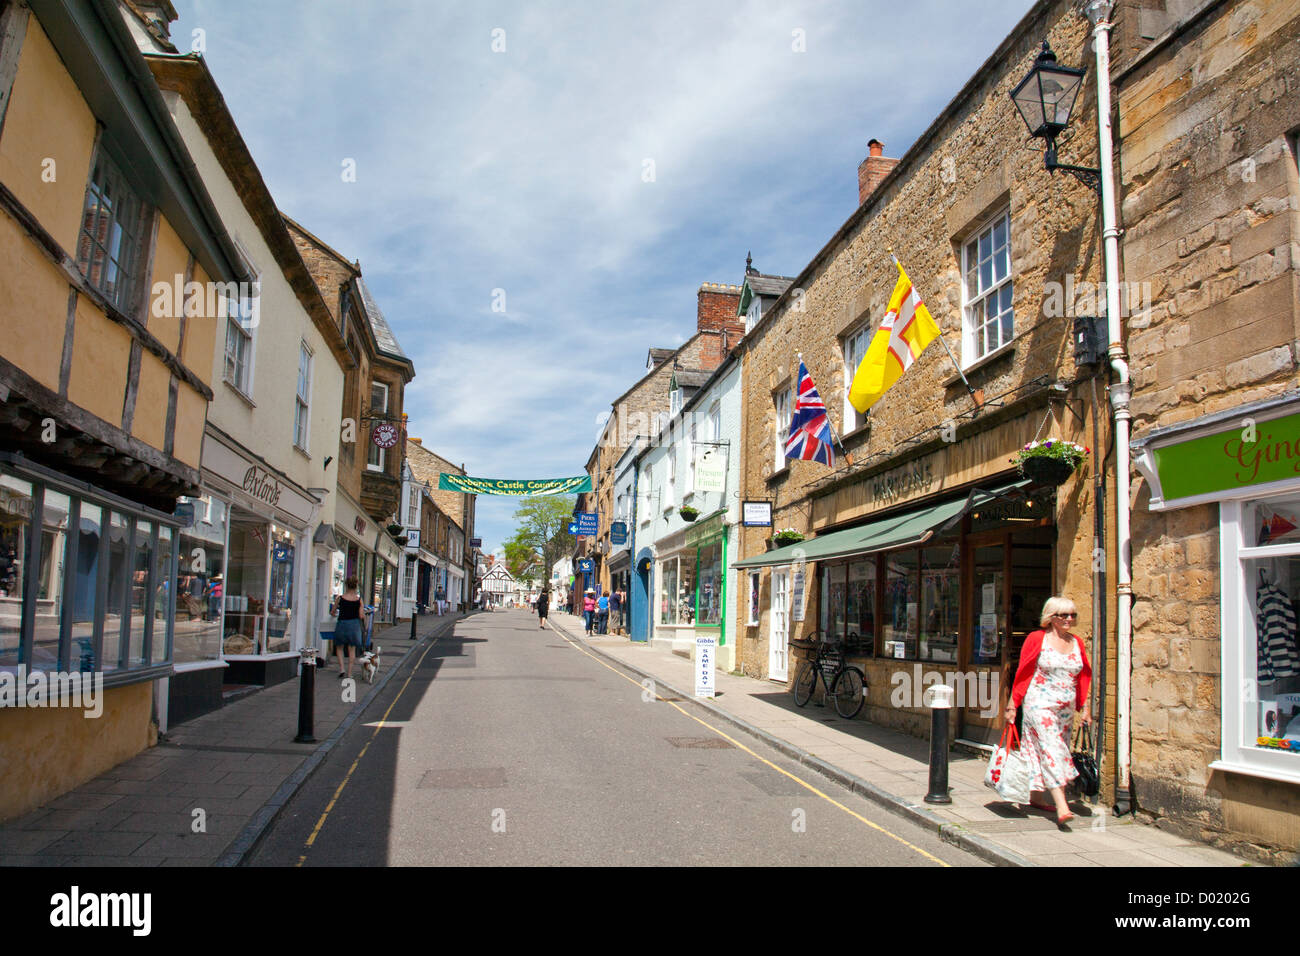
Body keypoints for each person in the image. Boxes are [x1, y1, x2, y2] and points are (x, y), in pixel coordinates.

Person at [1004, 595, 1092, 825]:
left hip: (1065, 709)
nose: (1069, 619)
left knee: (1046, 749)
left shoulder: (1077, 642)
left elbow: (1083, 676)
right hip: (1039, 704)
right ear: (1051, 618)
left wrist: (1085, 708)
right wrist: (1014, 703)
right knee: (1053, 750)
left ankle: (1035, 797)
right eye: (1064, 615)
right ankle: (1062, 806)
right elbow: (1023, 671)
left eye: (1072, 615)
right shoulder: (1037, 639)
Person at [330, 577, 364, 681]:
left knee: (339, 647)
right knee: (352, 649)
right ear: (356, 586)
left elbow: (333, 611)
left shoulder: (340, 598)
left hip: (342, 624)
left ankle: (341, 669)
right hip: (354, 625)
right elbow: (361, 615)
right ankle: (349, 673)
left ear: (346, 585)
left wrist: (334, 613)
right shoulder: (359, 600)